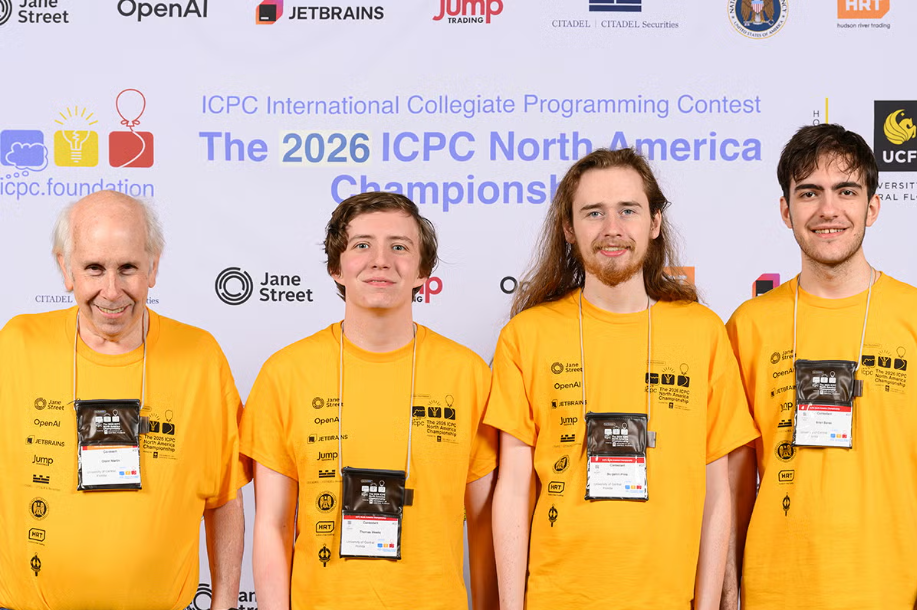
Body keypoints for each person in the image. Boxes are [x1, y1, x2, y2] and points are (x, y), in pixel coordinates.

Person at [486, 148, 759, 610]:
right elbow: (512, 489)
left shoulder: (703, 331)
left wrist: (708, 603)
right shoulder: (526, 335)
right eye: (593, 213)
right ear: (569, 229)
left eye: (627, 210)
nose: (612, 228)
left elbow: (717, 489)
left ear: (654, 222)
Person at [241, 192, 498, 610]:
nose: (381, 260)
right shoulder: (285, 374)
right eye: (362, 245)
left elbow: (486, 527)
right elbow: (271, 526)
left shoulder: (469, 375)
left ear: (422, 271)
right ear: (336, 268)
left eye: (399, 246)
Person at [0, 190, 249, 610]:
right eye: (94, 268)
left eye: (128, 268)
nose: (112, 291)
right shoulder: (16, 347)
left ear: (153, 266)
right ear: (66, 269)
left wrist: (224, 602)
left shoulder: (199, 357)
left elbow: (224, 497)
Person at [725, 123, 917, 609]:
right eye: (809, 193)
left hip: (892, 590)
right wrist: (729, 585)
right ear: (786, 211)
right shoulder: (749, 326)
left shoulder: (912, 317)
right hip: (774, 590)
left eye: (846, 191)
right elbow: (731, 483)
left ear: (872, 206)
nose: (828, 210)